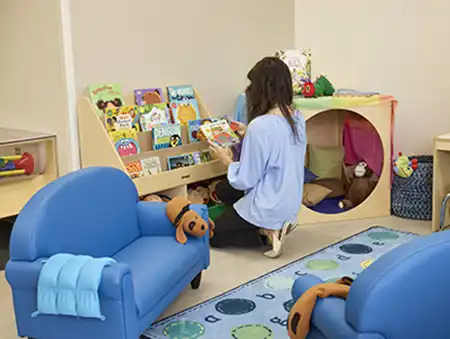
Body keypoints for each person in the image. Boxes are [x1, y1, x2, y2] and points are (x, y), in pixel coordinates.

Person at [208, 56, 306, 258]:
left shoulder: (260, 126)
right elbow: (278, 148)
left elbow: (245, 180)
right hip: (289, 201)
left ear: (261, 88)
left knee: (212, 234)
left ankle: (264, 232)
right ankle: (271, 226)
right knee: (222, 190)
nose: (248, 89)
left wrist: (226, 159)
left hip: (268, 204)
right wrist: (247, 133)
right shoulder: (296, 117)